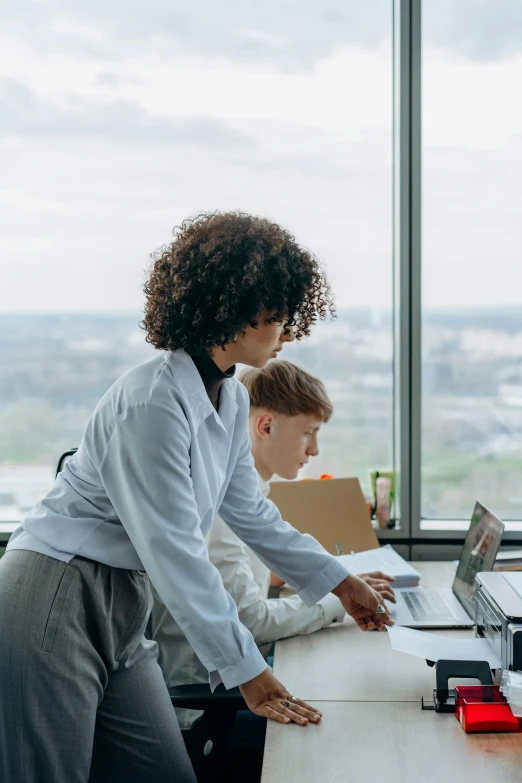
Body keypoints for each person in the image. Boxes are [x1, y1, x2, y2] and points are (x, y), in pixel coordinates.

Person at [0, 212, 393, 783]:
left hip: (124, 603)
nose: (288, 329)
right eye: (277, 315)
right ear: (233, 311)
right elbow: (178, 555)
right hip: (58, 594)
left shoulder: (229, 400)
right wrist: (248, 671)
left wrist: (339, 580)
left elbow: (253, 514)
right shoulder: (151, 404)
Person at [152, 359, 395, 776]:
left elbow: (240, 575)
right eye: (308, 433)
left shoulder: (248, 496)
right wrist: (336, 603)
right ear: (265, 426)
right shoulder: (224, 510)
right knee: (343, 734)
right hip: (207, 709)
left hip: (231, 685)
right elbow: (252, 620)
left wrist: (330, 580)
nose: (314, 450)